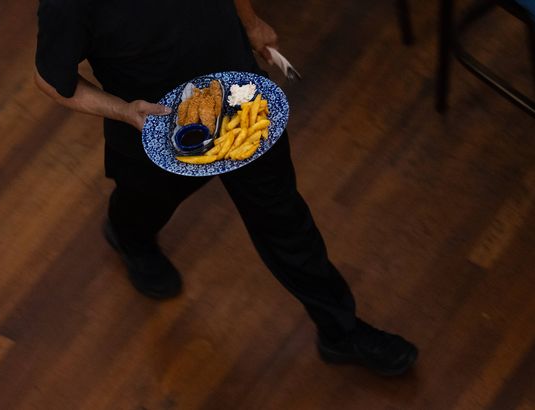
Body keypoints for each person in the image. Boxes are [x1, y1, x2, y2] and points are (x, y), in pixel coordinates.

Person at [34, 0, 418, 376]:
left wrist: (249, 22)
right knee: (145, 202)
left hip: (241, 102)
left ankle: (340, 331)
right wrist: (124, 112)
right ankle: (128, 238)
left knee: (284, 218)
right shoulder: (67, 5)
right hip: (159, 131)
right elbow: (52, 81)